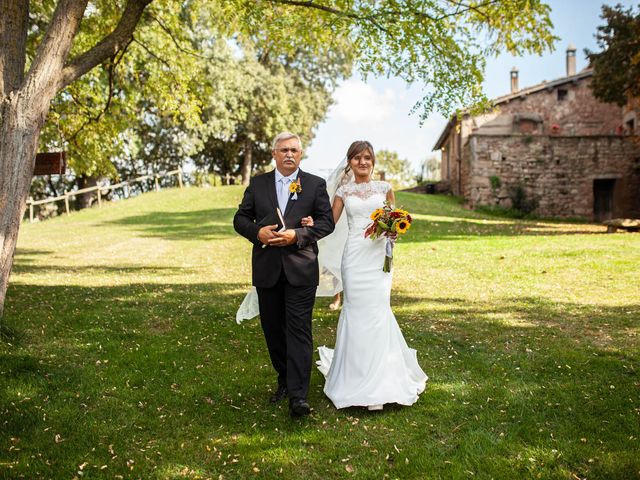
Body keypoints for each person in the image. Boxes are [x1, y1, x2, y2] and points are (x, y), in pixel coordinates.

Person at [315, 140, 428, 411]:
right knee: (356, 310)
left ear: (373, 161)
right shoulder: (343, 191)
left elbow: (392, 222)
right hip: (353, 258)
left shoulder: (385, 189)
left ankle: (383, 376)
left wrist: (393, 233)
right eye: (356, 158)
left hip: (378, 258)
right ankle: (353, 377)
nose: (362, 162)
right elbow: (329, 224)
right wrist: (310, 223)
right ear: (350, 163)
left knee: (378, 310)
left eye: (367, 157)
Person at [233, 132, 335, 417]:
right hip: (267, 269)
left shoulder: (314, 184)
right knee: (273, 331)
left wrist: (298, 235)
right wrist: (257, 232)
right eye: (284, 150)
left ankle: (299, 396)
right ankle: (284, 380)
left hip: (301, 268)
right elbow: (240, 219)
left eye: (295, 150)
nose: (290, 154)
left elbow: (326, 223)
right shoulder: (258, 184)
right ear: (274, 153)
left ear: (300, 155)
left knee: (299, 330)